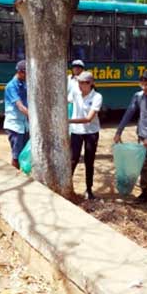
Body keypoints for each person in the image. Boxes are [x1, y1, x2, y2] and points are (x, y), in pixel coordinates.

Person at [113, 70, 147, 209]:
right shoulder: (138, 96)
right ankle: (144, 192)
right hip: (141, 135)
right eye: (142, 82)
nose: (144, 85)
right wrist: (119, 131)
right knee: (142, 165)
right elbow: (129, 112)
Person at [68, 71, 103, 200]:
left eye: (84, 83)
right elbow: (66, 100)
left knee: (89, 161)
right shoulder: (75, 93)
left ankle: (89, 189)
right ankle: (67, 185)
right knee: (73, 159)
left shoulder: (97, 97)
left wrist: (68, 120)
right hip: (76, 132)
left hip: (91, 133)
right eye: (79, 82)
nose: (81, 85)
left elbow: (89, 119)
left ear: (91, 83)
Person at [4, 60, 29, 169]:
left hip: (25, 125)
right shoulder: (11, 86)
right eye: (27, 73)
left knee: (25, 154)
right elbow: (20, 106)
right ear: (20, 72)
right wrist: (35, 117)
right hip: (15, 126)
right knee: (16, 155)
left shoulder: (25, 83)